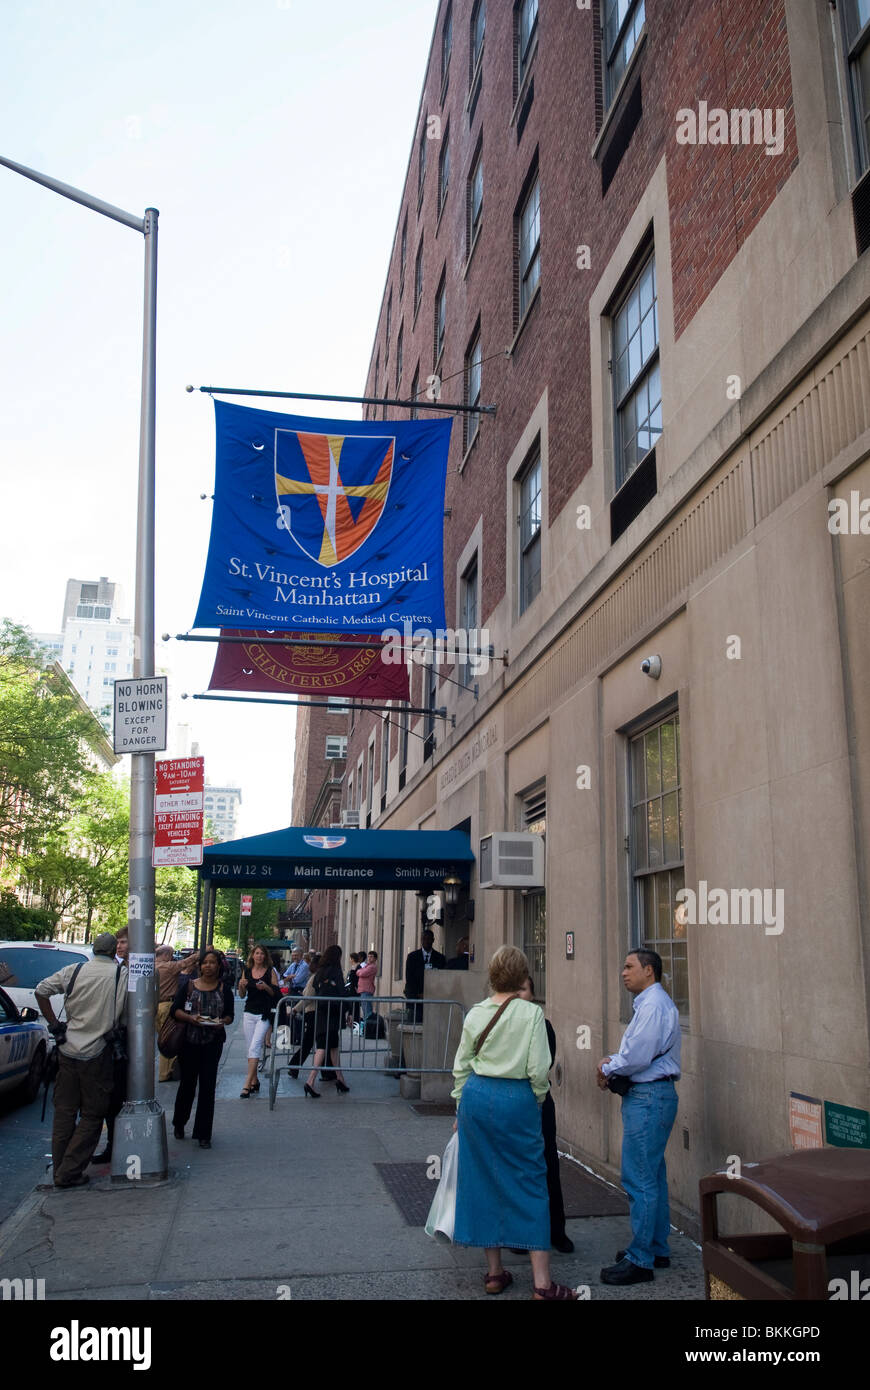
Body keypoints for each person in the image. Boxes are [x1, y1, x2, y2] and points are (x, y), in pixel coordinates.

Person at [451, 946, 577, 1299]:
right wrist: (536, 1101)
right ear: (523, 975)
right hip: (516, 1097)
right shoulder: (531, 1014)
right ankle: (542, 1284)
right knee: (532, 1182)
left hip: (476, 1096)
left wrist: (460, 1106)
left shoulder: (476, 1013)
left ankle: (494, 1273)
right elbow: (539, 1069)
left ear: (491, 975)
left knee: (482, 1180)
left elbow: (462, 1064)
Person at [597, 948, 681, 1285]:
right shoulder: (651, 1004)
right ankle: (655, 1247)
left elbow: (636, 1057)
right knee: (653, 1175)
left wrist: (605, 1066)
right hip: (653, 1097)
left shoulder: (653, 1005)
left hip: (648, 1099)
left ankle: (641, 1259)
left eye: (629, 966)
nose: (623, 972)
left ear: (649, 970)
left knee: (639, 1178)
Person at [34, 931, 127, 1188]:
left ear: (94, 949)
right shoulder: (120, 974)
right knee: (93, 1114)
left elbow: (41, 991)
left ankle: (60, 1169)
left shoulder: (74, 970)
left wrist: (55, 1024)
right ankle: (69, 1171)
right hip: (97, 1053)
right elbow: (127, 1017)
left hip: (68, 1049)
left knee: (64, 1112)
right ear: (112, 952)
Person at [517, 976, 573, 1254]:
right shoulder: (504, 1024)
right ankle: (517, 1234)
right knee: (516, 1168)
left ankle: (556, 1230)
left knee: (548, 1162)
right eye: (515, 989)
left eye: (525, 989)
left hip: (539, 1102)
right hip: (514, 1103)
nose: (519, 994)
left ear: (534, 995)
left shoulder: (543, 1025)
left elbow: (545, 1063)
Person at [171, 948, 235, 1148]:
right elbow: (175, 1010)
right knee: (187, 1085)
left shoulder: (224, 989)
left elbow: (230, 1015)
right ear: (199, 966)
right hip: (189, 1043)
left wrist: (221, 1022)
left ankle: (203, 1133)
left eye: (212, 962)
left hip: (212, 1043)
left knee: (208, 1088)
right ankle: (179, 1122)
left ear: (218, 966)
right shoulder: (189, 986)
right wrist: (191, 1018)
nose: (208, 966)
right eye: (205, 962)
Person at [304, 945, 349, 1097]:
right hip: (333, 1012)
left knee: (333, 1046)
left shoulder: (320, 971)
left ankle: (340, 1078)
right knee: (324, 1046)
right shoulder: (336, 971)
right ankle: (310, 1081)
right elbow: (342, 991)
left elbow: (316, 986)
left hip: (322, 1011)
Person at [238, 944, 280, 1097]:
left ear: (265, 956)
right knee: (250, 1047)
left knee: (255, 1046)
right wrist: (241, 986)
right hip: (249, 1012)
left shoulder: (270, 972)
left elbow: (276, 993)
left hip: (264, 1013)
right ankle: (255, 1080)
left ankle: (247, 1084)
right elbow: (242, 995)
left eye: (262, 953)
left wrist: (266, 987)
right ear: (252, 955)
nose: (259, 956)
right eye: (257, 953)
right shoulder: (247, 971)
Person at [155, 945, 198, 1083]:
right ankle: (166, 1072)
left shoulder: (151, 965)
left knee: (163, 1037)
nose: (172, 957)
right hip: (166, 1005)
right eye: (171, 954)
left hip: (155, 1006)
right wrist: (202, 952)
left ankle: (166, 1070)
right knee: (170, 1038)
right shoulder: (168, 967)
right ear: (166, 955)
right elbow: (185, 963)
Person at [288, 953, 319, 1078]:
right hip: (313, 1012)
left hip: (313, 1012)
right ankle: (294, 1066)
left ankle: (329, 1071)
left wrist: (295, 1010)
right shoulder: (315, 978)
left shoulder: (315, 978)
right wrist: (296, 1009)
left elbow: (307, 998)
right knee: (312, 1043)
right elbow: (307, 998)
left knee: (316, 1043)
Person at [404, 930, 446, 1021]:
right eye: (424, 939)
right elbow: (409, 978)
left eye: (428, 939)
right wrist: (419, 994)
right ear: (421, 940)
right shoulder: (412, 957)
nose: (426, 941)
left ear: (433, 940)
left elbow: (442, 978)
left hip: (433, 999)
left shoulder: (440, 958)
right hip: (415, 999)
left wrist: (430, 994)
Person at [356, 950, 378, 1023]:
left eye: (371, 957)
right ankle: (366, 1028)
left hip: (367, 990)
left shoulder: (372, 967)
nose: (369, 958)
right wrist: (359, 972)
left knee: (367, 1011)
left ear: (375, 959)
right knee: (365, 1011)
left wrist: (359, 972)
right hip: (363, 990)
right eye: (368, 956)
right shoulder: (367, 966)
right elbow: (358, 971)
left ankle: (369, 1029)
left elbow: (362, 973)